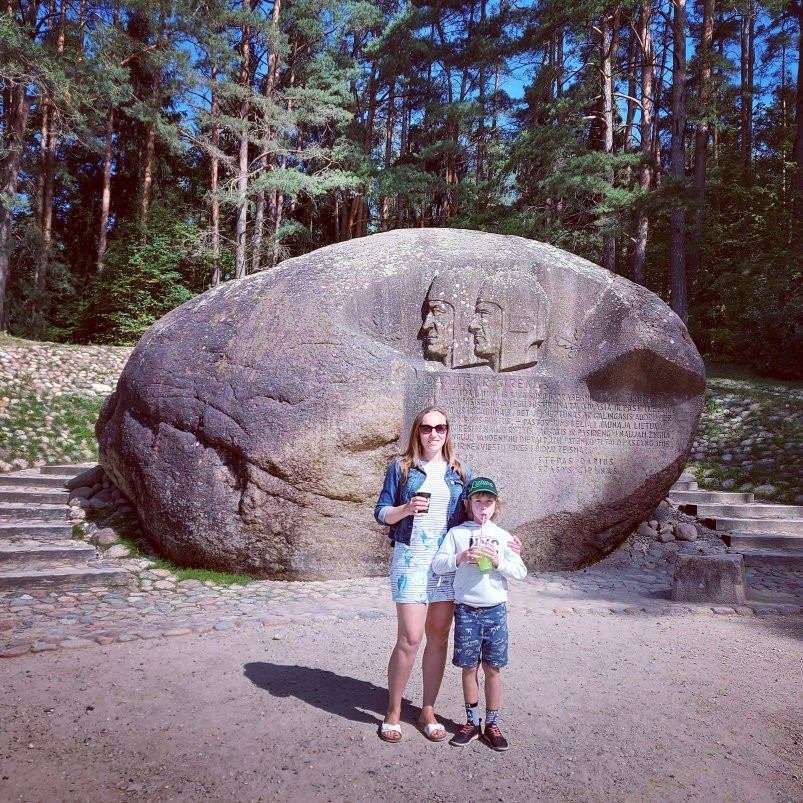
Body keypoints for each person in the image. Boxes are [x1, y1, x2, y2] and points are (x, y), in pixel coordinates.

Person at [373, 406, 470, 743]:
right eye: (426, 428)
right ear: (417, 432)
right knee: (410, 637)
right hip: (411, 559)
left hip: (445, 562)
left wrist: (500, 543)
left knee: (439, 636)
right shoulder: (401, 469)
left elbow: (472, 517)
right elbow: (381, 512)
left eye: (440, 428)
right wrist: (407, 508)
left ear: (447, 431)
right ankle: (393, 709)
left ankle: (427, 709)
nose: (433, 434)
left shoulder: (459, 471)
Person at [431, 476, 527, 751]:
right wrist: (460, 558)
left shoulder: (503, 536)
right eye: (478, 501)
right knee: (469, 667)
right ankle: (472, 721)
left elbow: (520, 571)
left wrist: (497, 561)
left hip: (495, 610)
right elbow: (438, 565)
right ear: (468, 503)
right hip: (466, 610)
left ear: (496, 505)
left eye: (489, 501)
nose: (483, 507)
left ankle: (492, 723)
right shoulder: (457, 534)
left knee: (493, 668)